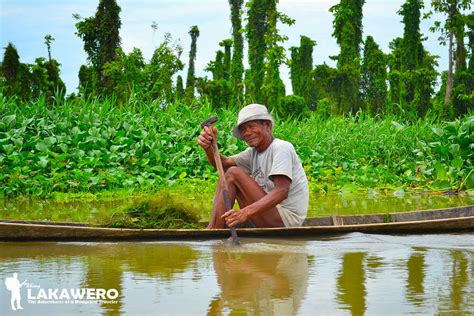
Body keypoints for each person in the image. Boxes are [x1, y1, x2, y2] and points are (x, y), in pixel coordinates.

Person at [198, 103, 309, 229]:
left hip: (286, 219)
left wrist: (244, 213)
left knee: (233, 173)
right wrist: (209, 147)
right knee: (229, 173)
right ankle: (213, 228)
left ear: (267, 125)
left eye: (251, 127)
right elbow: (223, 165)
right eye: (243, 129)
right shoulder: (253, 153)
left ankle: (213, 232)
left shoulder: (281, 147)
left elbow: (281, 191)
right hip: (267, 214)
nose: (247, 133)